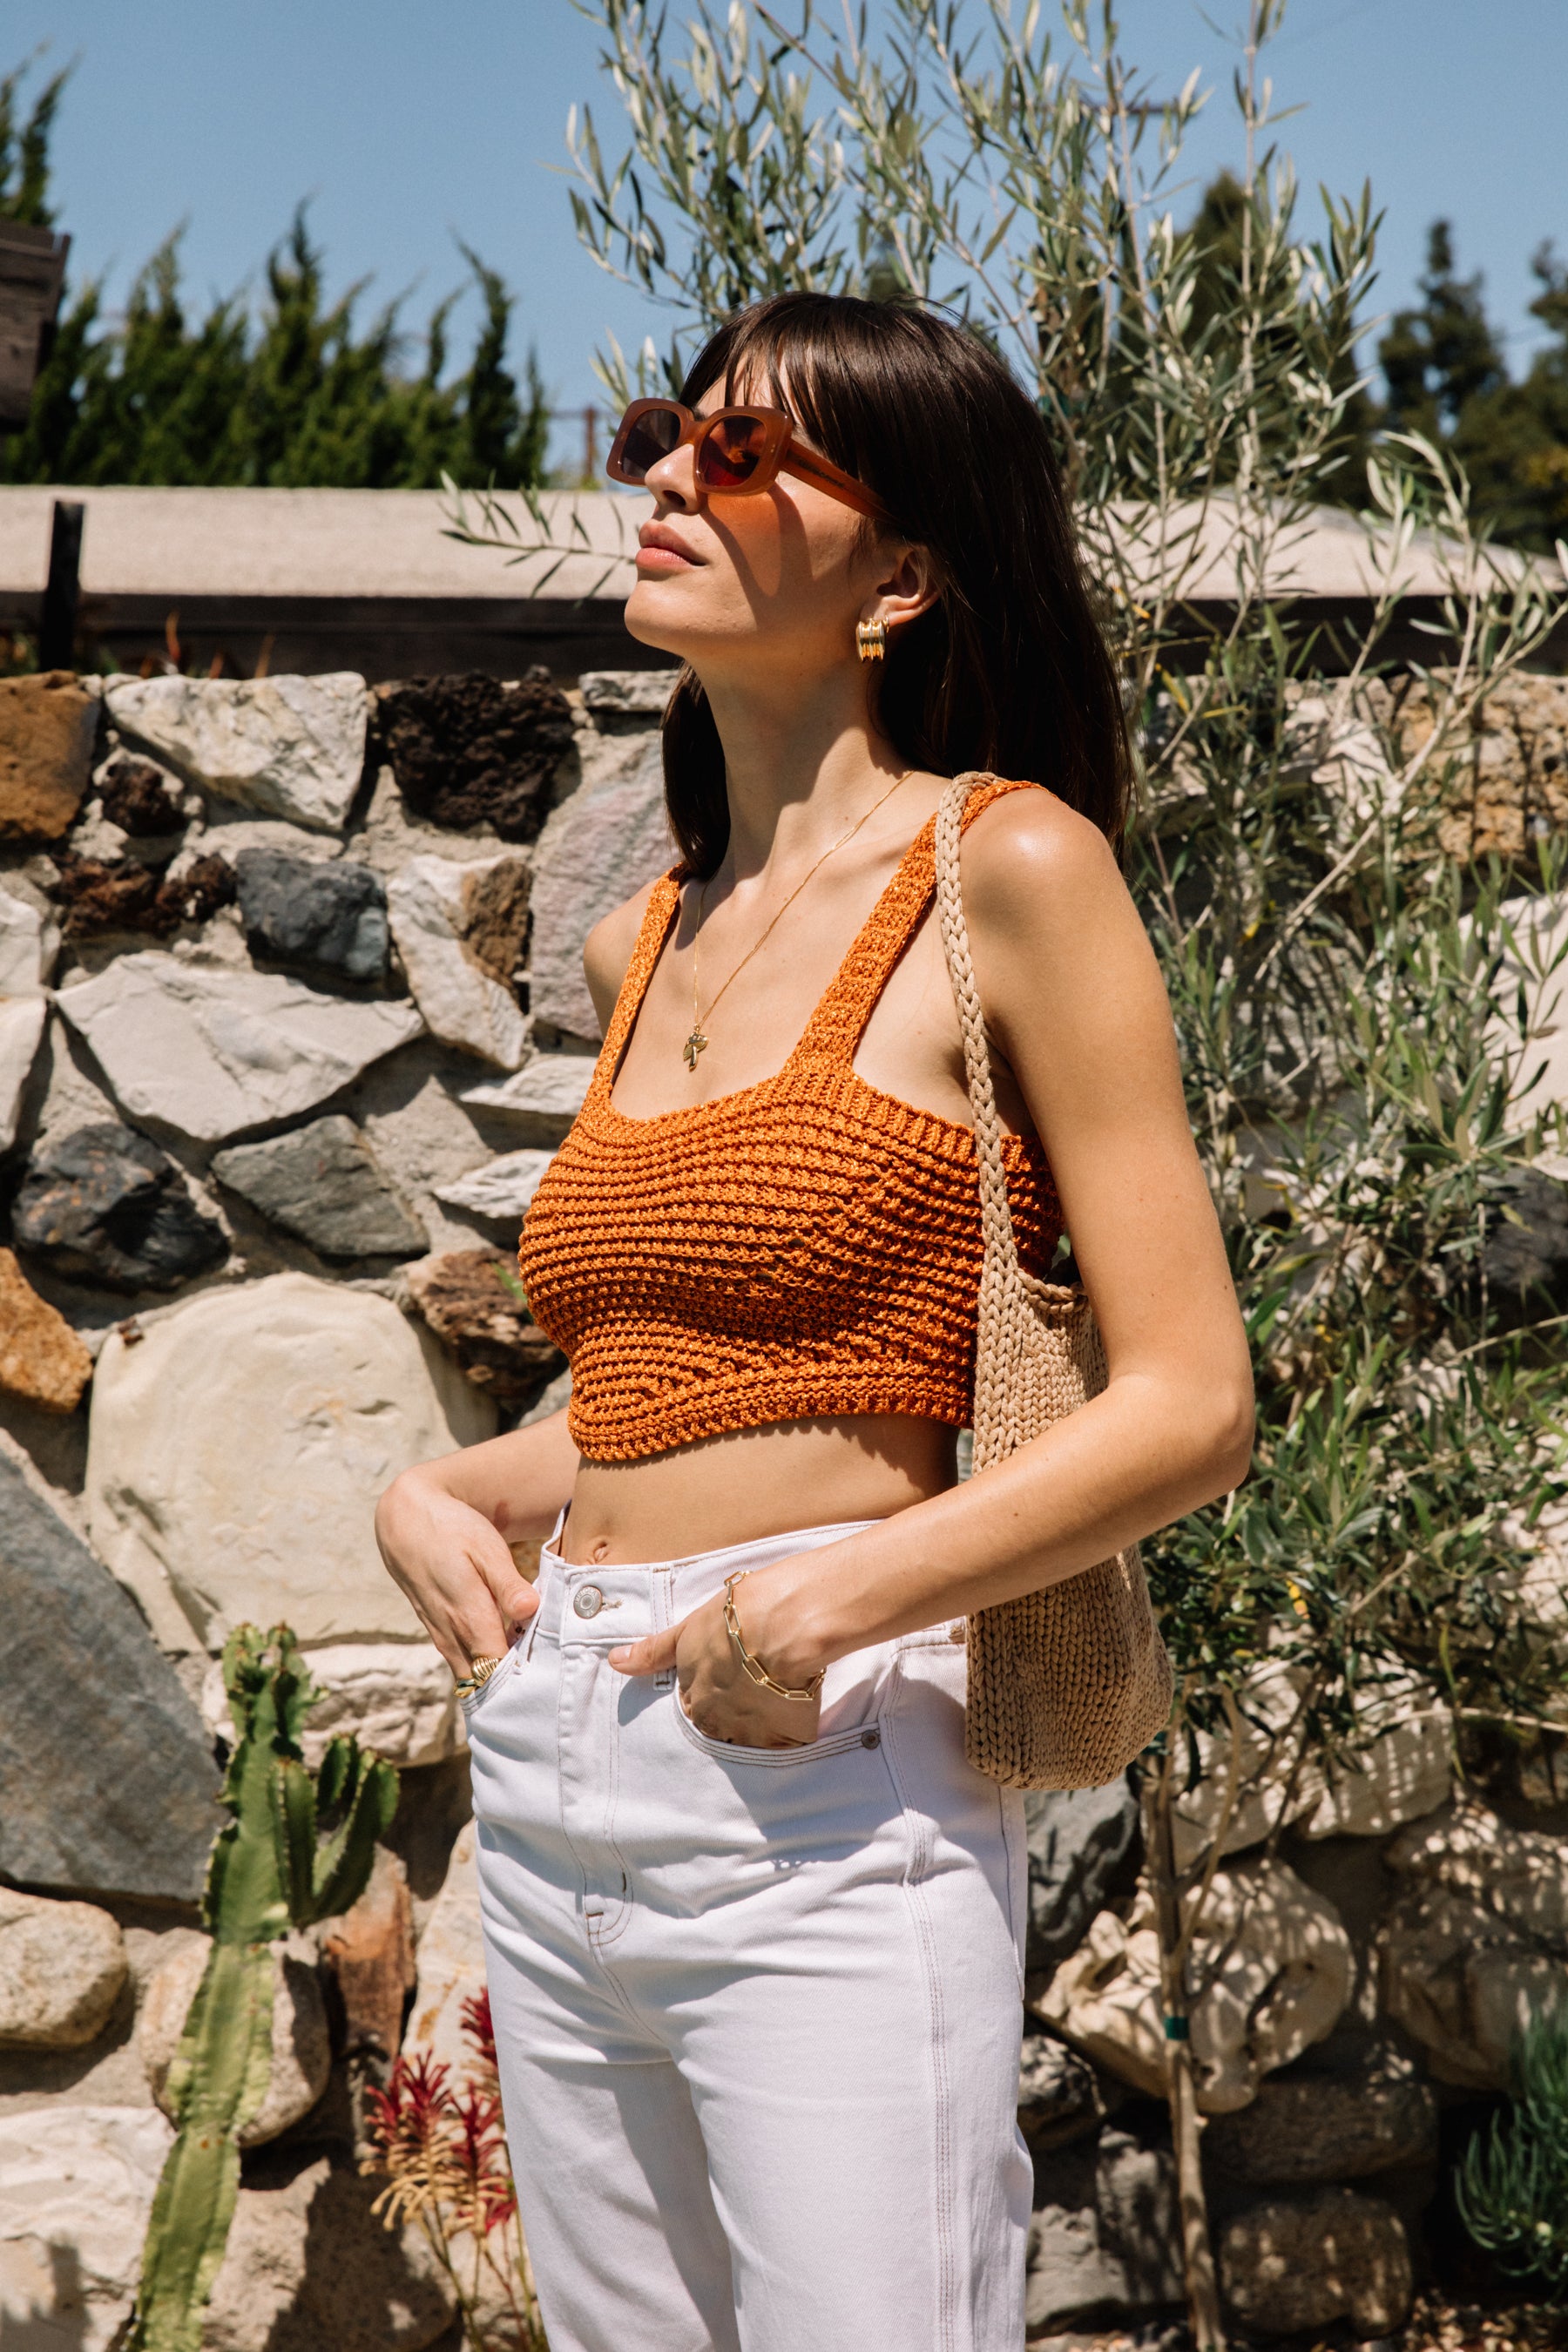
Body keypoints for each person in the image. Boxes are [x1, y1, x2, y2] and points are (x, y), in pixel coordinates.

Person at [375, 290, 1253, 2352]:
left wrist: (833, 1602)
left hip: (825, 1764)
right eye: (667, 432)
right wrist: (451, 1491)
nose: (673, 474)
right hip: (564, 1750)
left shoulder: (1004, 868)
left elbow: (1192, 1402)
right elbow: (682, 1396)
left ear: (905, 573)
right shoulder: (642, 937)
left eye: (749, 452)